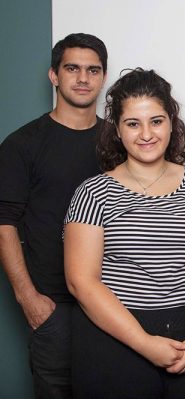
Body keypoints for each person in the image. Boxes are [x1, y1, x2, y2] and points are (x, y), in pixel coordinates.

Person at [64, 68, 185, 399]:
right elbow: (81, 281)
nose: (146, 134)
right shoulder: (93, 192)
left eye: (156, 121)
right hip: (117, 335)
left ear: (172, 122)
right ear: (117, 129)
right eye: (133, 124)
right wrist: (144, 343)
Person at [0, 32, 107, 399]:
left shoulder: (120, 142)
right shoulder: (23, 144)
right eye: (72, 68)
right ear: (54, 75)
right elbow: (4, 225)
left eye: (93, 70)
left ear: (103, 78)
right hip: (54, 305)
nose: (82, 78)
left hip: (115, 301)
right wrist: (27, 297)